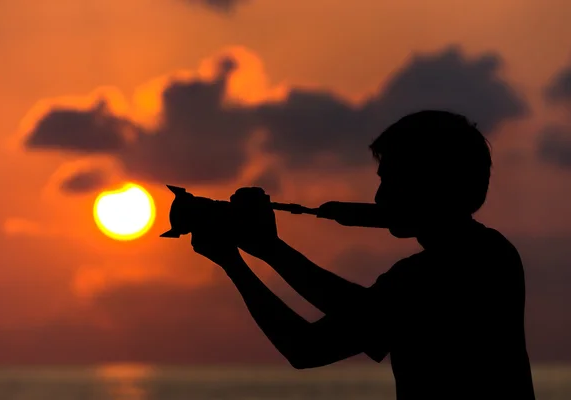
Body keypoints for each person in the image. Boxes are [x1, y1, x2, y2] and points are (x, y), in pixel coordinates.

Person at [190, 110, 536, 399]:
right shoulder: (495, 255)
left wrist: (238, 259)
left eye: (390, 182)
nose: (379, 197)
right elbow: (347, 319)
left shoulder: (436, 273)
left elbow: (306, 347)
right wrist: (265, 251)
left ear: (427, 183)